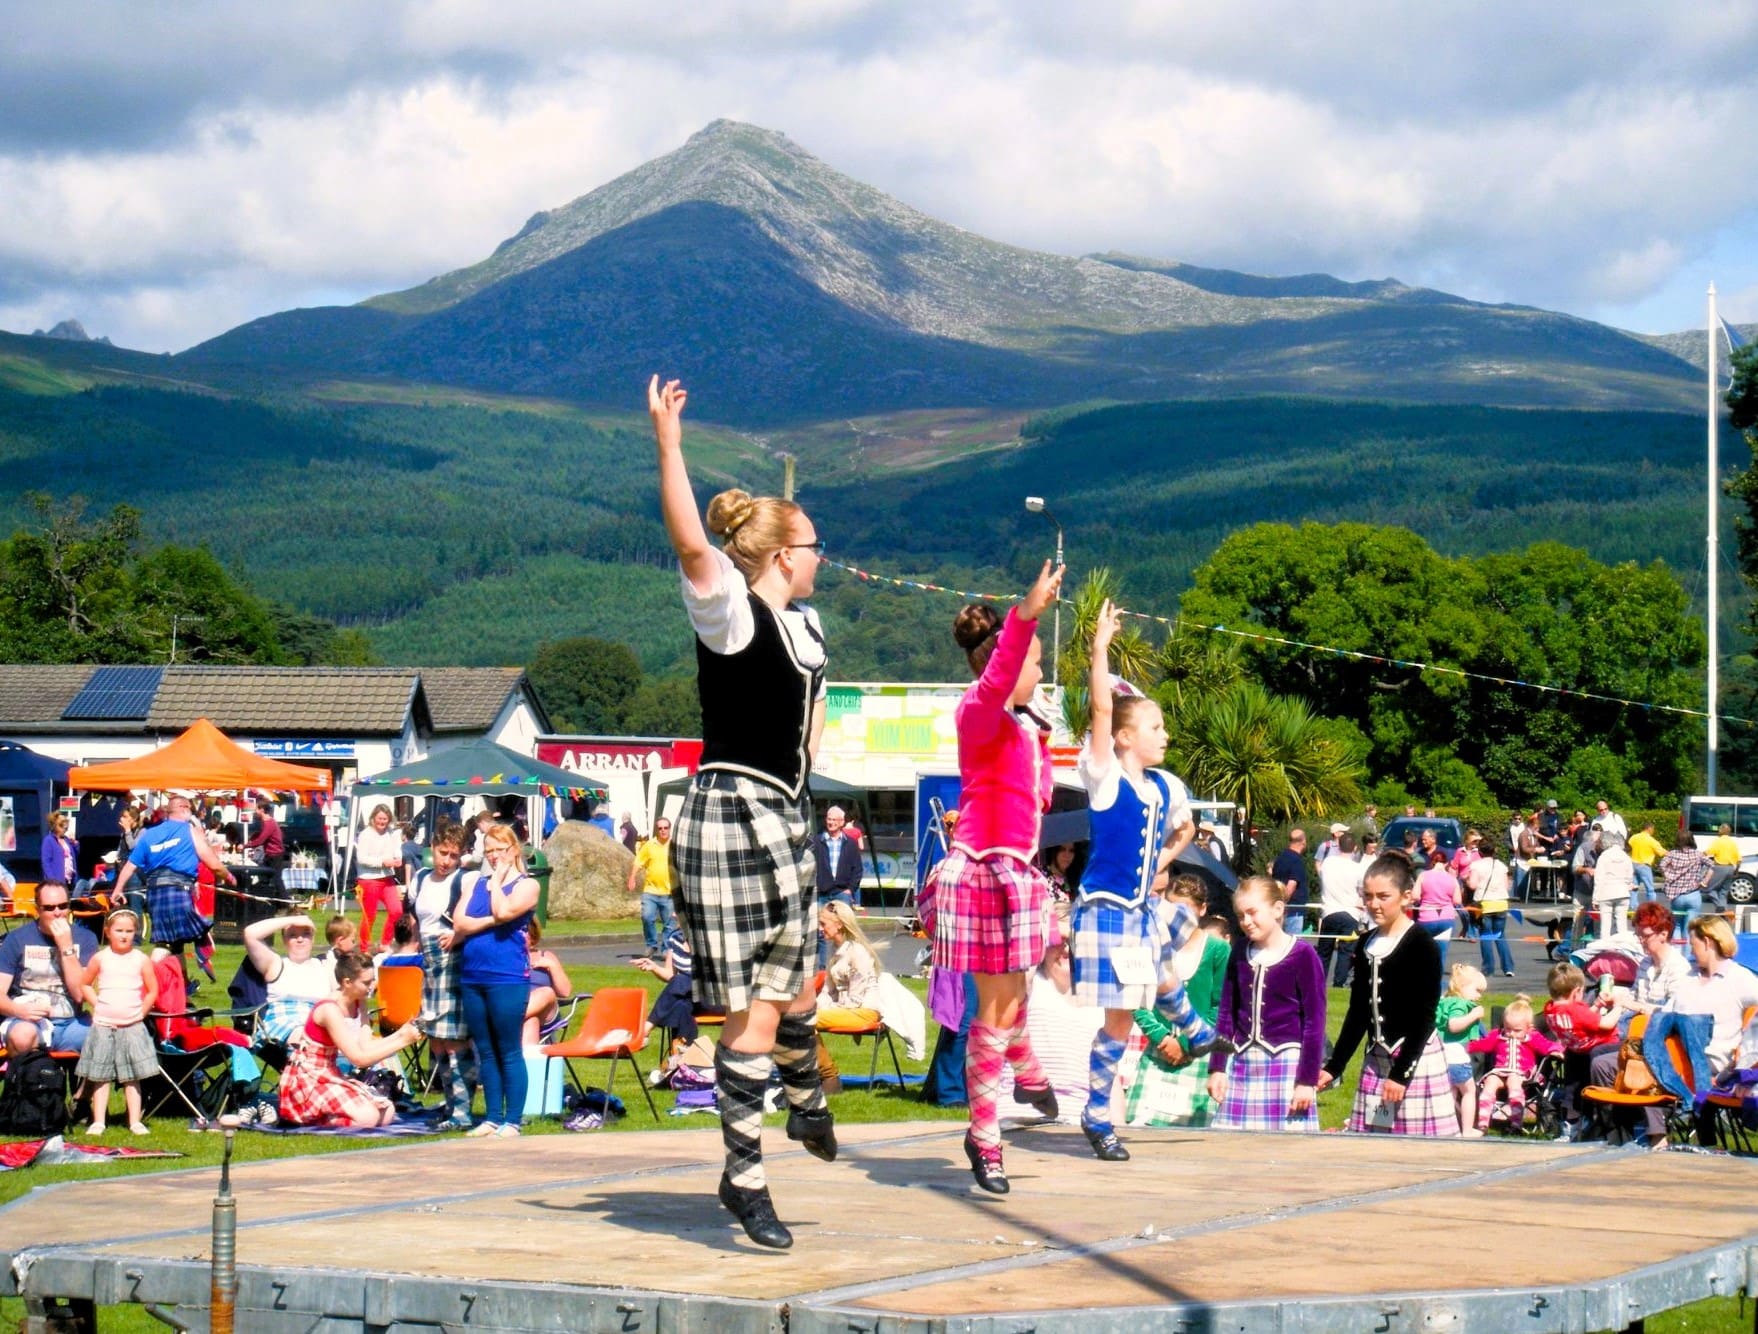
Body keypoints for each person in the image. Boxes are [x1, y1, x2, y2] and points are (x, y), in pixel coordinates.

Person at [652, 373, 834, 1250]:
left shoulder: (809, 630)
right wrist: (670, 445)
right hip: (727, 814)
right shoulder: (729, 611)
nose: (822, 554)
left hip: (786, 814)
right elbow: (692, 543)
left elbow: (811, 732)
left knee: (796, 986)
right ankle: (748, 1180)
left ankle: (802, 1095)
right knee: (750, 1015)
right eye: (811, 542)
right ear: (778, 556)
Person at [926, 557, 1065, 1195]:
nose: (1038, 670)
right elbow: (1005, 668)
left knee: (1013, 999)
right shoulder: (979, 713)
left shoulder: (1023, 726)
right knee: (996, 1007)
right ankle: (985, 1136)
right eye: (1035, 661)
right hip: (983, 870)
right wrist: (1026, 614)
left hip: (1016, 872)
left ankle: (1028, 1068)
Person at [1069, 600, 1223, 1163]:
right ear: (1126, 738)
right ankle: (1097, 1110)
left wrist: (1161, 858)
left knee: (1155, 965)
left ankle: (1195, 1029)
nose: (1165, 735)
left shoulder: (1161, 787)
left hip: (1136, 906)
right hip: (1105, 906)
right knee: (1124, 1011)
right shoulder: (1106, 776)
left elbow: (1181, 828)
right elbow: (1102, 711)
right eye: (1155, 727)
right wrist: (1100, 649)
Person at [1319, 855, 1456, 1136]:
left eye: (1383, 896)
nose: (1374, 904)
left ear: (1406, 897)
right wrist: (1335, 1066)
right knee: (1375, 1140)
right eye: (1368, 896)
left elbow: (1425, 1016)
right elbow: (1358, 1012)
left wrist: (1400, 1073)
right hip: (1376, 1060)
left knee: (1421, 1151)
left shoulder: (1422, 944)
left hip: (1413, 1060)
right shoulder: (1366, 941)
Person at [441, 821, 538, 1137]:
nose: (494, 856)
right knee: (486, 1049)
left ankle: (513, 1119)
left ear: (513, 850)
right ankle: (493, 1116)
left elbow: (507, 911)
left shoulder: (527, 885)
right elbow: (459, 921)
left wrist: (497, 882)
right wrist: (489, 920)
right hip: (473, 975)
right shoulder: (473, 884)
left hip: (507, 976)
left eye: (499, 850)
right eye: (488, 851)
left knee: (508, 1048)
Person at [1207, 876, 1326, 1133]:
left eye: (1252, 912)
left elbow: (1314, 1023)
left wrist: (1306, 1081)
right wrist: (1217, 1067)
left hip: (1286, 1066)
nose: (1246, 922)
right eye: (1240, 915)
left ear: (1278, 909)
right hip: (1243, 1063)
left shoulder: (1303, 955)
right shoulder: (1239, 951)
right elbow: (1226, 1014)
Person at [1585, 899, 1693, 1146]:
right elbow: (1634, 996)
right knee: (1596, 1054)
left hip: (1666, 1042)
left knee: (1609, 1061)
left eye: (1644, 935)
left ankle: (1650, 1129)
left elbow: (1672, 1010)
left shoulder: (1679, 968)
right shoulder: (1645, 964)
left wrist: (1632, 1005)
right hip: (1637, 1036)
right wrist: (1613, 999)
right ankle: (1614, 1127)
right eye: (1638, 935)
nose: (1641, 941)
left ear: (1663, 934)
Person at [1125, 875, 1230, 1128]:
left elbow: (1219, 1005)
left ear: (1203, 909)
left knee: (1193, 1133)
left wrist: (1186, 1044)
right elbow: (1137, 999)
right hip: (1158, 1050)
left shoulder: (1217, 950)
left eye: (1186, 911)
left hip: (1197, 1052)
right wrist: (1162, 1038)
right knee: (1141, 1126)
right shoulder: (1151, 944)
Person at [278, 951, 421, 1129]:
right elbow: (359, 1059)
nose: (372, 986)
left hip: (330, 1073)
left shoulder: (359, 1002)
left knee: (387, 1112)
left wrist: (401, 1033)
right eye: (366, 982)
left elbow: (366, 1046)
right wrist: (403, 1041)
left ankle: (334, 1113)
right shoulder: (330, 1010)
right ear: (347, 982)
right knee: (367, 1119)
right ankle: (310, 1116)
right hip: (309, 1078)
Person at [1642, 915, 1758, 1122]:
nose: (1690, 950)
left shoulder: (1739, 978)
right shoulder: (1689, 977)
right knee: (1604, 1060)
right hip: (1676, 1053)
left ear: (1707, 943)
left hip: (1711, 1059)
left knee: (1642, 1064)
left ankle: (1657, 1135)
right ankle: (1620, 1137)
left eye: (1692, 944)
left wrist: (1745, 1050)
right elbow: (1665, 1013)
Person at [408, 827, 476, 1130]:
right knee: (436, 1041)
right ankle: (449, 1107)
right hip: (429, 960)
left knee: (454, 1041)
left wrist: (458, 932)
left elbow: (476, 918)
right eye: (442, 853)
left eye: (454, 855)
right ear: (432, 847)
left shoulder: (464, 879)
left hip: (453, 959)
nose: (447, 861)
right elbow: (416, 918)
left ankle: (462, 1112)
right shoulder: (421, 878)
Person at [111, 793, 235, 956]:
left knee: (171, 942)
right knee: (182, 937)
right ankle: (201, 944)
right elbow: (213, 864)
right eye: (189, 808)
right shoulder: (189, 830)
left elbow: (130, 865)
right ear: (183, 809)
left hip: (155, 892)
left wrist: (118, 889)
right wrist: (230, 877)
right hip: (178, 889)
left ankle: (183, 979)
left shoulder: (149, 834)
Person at [75, 909, 159, 1135]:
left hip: (131, 1025)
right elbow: (85, 984)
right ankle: (99, 1120)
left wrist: (141, 1012)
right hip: (103, 1025)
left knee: (132, 1077)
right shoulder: (100, 958)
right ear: (108, 932)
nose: (124, 935)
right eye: (119, 930)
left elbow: (152, 990)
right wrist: (97, 1003)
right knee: (100, 1076)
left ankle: (134, 1121)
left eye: (129, 931)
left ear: (136, 932)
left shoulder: (141, 959)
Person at [0, 881, 99, 1053]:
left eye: (63, 906)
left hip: (70, 1022)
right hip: (26, 1020)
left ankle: (87, 1081)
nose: (57, 913)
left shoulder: (85, 938)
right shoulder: (16, 939)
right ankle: (28, 1078)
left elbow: (79, 995)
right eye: (49, 908)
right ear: (38, 909)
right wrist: (19, 1010)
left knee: (104, 1039)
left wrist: (66, 948)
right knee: (22, 1036)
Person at [1542, 961, 1623, 1139]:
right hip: (1603, 1045)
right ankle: (1592, 1118)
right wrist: (1618, 1006)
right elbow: (1606, 1023)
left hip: (1577, 1049)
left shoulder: (1550, 1009)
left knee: (1572, 1083)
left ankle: (1572, 1123)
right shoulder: (1575, 1009)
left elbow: (1581, 1021)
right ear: (1577, 991)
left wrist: (1597, 1005)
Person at [814, 899, 881, 1094]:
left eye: (823, 924)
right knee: (799, 1020)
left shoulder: (857, 952)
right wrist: (816, 1007)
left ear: (839, 924)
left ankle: (829, 1077)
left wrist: (822, 1011)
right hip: (848, 1008)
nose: (820, 928)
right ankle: (821, 1075)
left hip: (864, 1011)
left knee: (803, 1022)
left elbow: (855, 1000)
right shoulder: (835, 953)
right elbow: (828, 991)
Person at [1467, 997, 1561, 1131]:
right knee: (1490, 1082)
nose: (1511, 1034)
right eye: (1508, 1028)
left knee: (1513, 1081)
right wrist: (1466, 1046)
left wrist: (1557, 1050)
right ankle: (1483, 1123)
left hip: (1522, 1074)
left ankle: (1516, 1123)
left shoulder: (1532, 1037)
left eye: (1517, 1030)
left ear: (1529, 1028)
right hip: (1499, 1071)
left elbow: (1546, 1045)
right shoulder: (1497, 1035)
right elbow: (1483, 1045)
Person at [243, 914, 336, 1047]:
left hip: (318, 1021)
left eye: (306, 934)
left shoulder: (325, 966)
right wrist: (293, 919)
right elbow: (250, 934)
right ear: (284, 939)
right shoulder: (276, 964)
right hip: (285, 1024)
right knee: (302, 1033)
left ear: (313, 938)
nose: (300, 939)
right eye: (292, 935)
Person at [1435, 963, 1488, 1136]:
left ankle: (1446, 1128)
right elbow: (1454, 1025)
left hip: (1440, 1056)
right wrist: (1474, 1015)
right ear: (1463, 987)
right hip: (1457, 1058)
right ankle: (1467, 1129)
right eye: (1477, 990)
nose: (1479, 996)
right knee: (1469, 1092)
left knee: (1449, 1093)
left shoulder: (1444, 1001)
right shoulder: (1460, 1004)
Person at [1315, 832, 1366, 988]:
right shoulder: (1358, 869)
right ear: (1355, 848)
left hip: (1329, 912)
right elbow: (1362, 891)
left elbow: (1320, 870)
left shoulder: (1328, 863)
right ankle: (1338, 984)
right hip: (1350, 913)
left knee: (1324, 951)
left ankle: (1319, 983)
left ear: (1338, 845)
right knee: (1345, 952)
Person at [353, 804, 404, 953]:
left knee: (396, 911)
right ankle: (364, 948)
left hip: (387, 877)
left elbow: (397, 849)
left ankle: (385, 943)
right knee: (370, 915)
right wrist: (382, 862)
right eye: (380, 818)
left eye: (385, 819)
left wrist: (398, 858)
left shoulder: (391, 833)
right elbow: (361, 858)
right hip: (368, 879)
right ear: (373, 818)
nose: (382, 822)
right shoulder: (365, 835)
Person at [813, 805, 864, 950]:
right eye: (829, 819)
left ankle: (844, 960)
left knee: (845, 931)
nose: (831, 822)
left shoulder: (851, 844)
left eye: (835, 820)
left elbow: (858, 869)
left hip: (842, 893)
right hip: (821, 894)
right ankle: (823, 969)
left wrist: (850, 890)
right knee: (821, 932)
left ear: (842, 822)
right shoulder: (816, 842)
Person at [627, 816, 677, 958]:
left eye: (665, 828)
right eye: (660, 828)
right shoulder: (649, 845)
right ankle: (651, 945)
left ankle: (666, 949)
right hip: (650, 891)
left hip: (668, 892)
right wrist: (632, 877)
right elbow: (638, 861)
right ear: (656, 830)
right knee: (647, 917)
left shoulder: (675, 845)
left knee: (669, 923)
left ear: (669, 829)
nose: (662, 831)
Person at [1464, 841, 1515, 977]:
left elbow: (1473, 885)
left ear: (1480, 852)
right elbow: (1506, 885)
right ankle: (1508, 967)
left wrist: (1467, 880)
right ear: (1494, 851)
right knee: (1500, 935)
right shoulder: (1501, 865)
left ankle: (1488, 968)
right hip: (1501, 902)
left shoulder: (1476, 865)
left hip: (1484, 903)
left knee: (1486, 935)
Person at [522, 919, 575, 1046]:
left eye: (524, 931)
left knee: (546, 992)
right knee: (531, 1021)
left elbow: (565, 991)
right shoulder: (504, 958)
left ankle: (507, 1019)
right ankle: (529, 1065)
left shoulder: (546, 956)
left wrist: (552, 966)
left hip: (546, 1011)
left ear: (533, 936)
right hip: (518, 1005)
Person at [1414, 850, 1460, 967]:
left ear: (1432, 862)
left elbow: (1415, 896)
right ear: (1446, 863)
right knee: (1441, 953)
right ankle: (1438, 981)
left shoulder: (1423, 875)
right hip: (1446, 918)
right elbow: (1457, 901)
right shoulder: (1452, 878)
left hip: (1426, 918)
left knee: (1425, 951)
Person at [1659, 830, 1713, 920]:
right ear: (1692, 840)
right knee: (1690, 926)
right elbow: (1712, 866)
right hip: (1693, 893)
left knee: (1677, 925)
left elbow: (1662, 865)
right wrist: (1704, 881)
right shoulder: (1698, 854)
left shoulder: (1672, 854)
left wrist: (1667, 876)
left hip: (1676, 895)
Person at [1593, 831, 1635, 940]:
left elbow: (1599, 878)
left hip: (1606, 892)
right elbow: (1629, 876)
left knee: (1605, 926)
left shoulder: (1604, 856)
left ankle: (1605, 949)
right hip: (1623, 892)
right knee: (1622, 925)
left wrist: (1595, 899)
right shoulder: (1626, 856)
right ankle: (1623, 950)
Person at [1270, 828, 1310, 934]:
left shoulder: (1280, 858)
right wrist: (1284, 902)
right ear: (1303, 841)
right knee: (1292, 945)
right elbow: (1291, 885)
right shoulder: (1297, 861)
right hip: (1293, 910)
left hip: (1280, 909)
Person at [40, 811, 79, 889]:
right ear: (57, 827)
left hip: (69, 880)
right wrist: (52, 880)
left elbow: (76, 855)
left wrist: (75, 844)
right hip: (57, 881)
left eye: (66, 828)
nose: (66, 830)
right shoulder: (48, 840)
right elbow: (46, 863)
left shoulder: (67, 840)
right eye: (64, 828)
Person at [1705, 822, 1742, 902]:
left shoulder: (1718, 841)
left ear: (1721, 831)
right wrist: (1736, 871)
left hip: (1720, 868)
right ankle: (1722, 910)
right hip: (1730, 868)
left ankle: (1718, 904)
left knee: (1708, 888)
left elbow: (1710, 851)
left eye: (1719, 830)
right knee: (1724, 891)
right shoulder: (1733, 842)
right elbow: (1739, 859)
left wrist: (1700, 854)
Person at [1628, 821, 1664, 903]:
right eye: (1653, 829)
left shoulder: (1634, 837)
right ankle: (1651, 908)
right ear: (1649, 829)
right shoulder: (1651, 840)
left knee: (1634, 888)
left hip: (1633, 864)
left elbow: (1628, 847)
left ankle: (1633, 909)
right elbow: (1661, 852)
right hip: (1644, 865)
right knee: (1650, 889)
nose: (1653, 831)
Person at [245, 799, 285, 869]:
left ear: (262, 810)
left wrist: (245, 846)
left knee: (272, 878)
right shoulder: (267, 822)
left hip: (274, 855)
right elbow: (264, 835)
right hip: (270, 854)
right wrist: (254, 836)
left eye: (256, 809)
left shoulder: (269, 823)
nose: (255, 812)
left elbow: (260, 841)